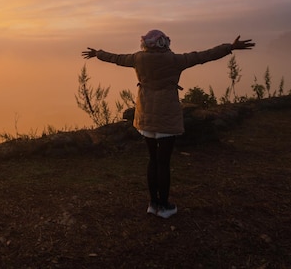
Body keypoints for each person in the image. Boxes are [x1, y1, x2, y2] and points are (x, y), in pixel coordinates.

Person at [82, 30, 254, 218]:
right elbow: (203, 56)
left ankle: (153, 204)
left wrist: (97, 53)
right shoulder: (175, 60)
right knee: (163, 163)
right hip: (167, 117)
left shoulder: (138, 59)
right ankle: (164, 206)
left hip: (145, 116)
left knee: (152, 161)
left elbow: (116, 58)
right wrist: (230, 47)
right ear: (164, 43)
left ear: (146, 44)